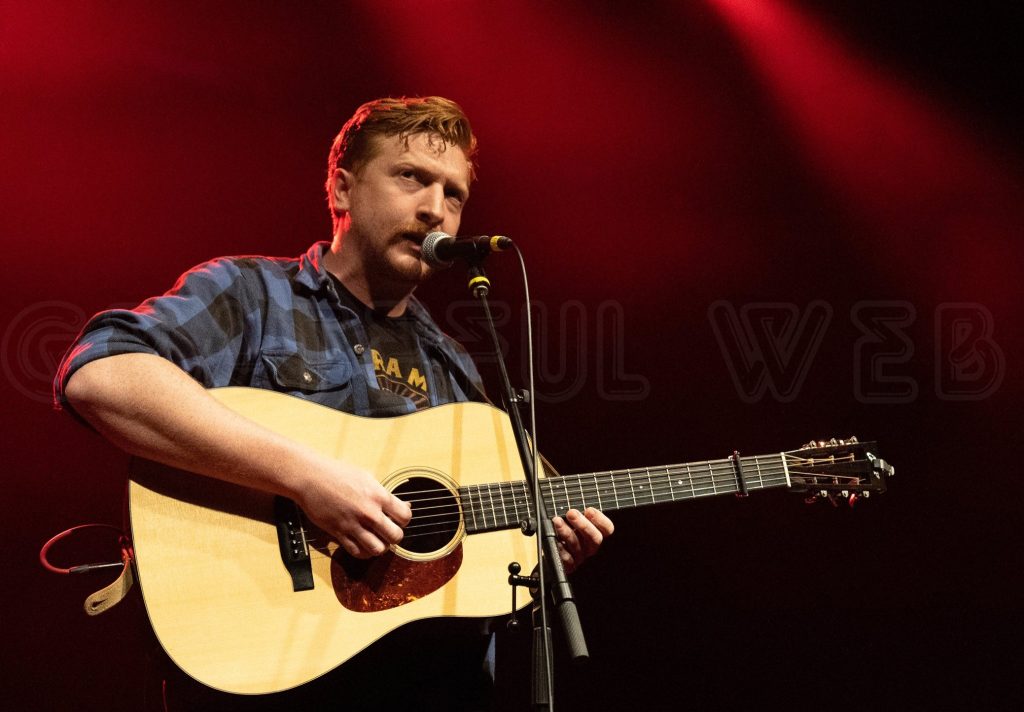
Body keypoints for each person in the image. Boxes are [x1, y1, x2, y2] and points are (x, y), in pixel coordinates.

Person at [55, 96, 614, 710]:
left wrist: (542, 558)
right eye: (411, 178)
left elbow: (459, 576)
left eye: (453, 195)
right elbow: (100, 374)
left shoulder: (453, 366)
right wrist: (306, 477)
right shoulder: (253, 295)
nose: (435, 209)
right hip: (266, 671)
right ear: (343, 190)